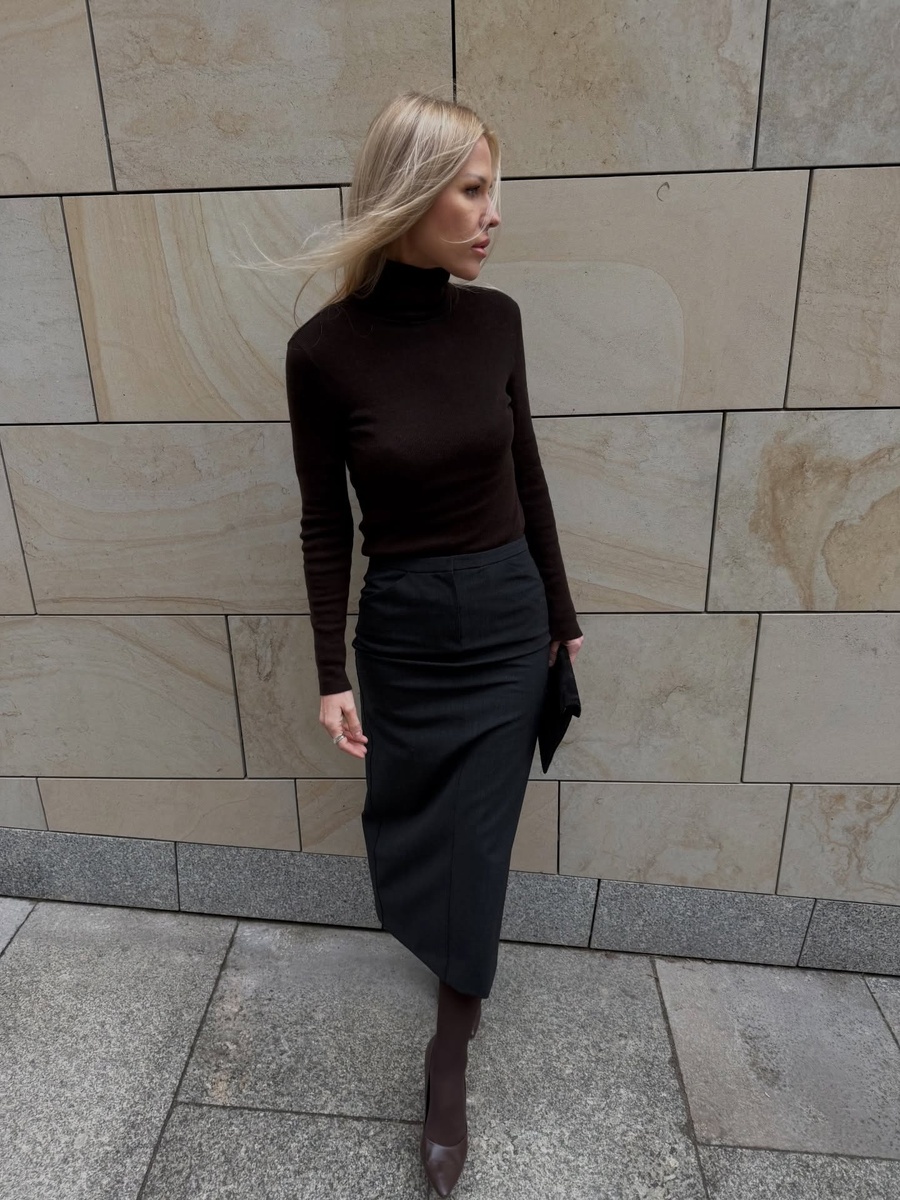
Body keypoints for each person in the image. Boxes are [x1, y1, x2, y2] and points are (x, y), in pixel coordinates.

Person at [282, 90, 583, 1196]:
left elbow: (528, 474)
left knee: (481, 840)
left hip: (507, 619)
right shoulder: (322, 354)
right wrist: (330, 674)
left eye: (492, 189)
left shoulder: (496, 321)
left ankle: (449, 1049)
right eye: (473, 190)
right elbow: (325, 521)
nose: (493, 214)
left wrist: (562, 617)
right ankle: (448, 964)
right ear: (411, 198)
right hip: (405, 630)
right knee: (413, 822)